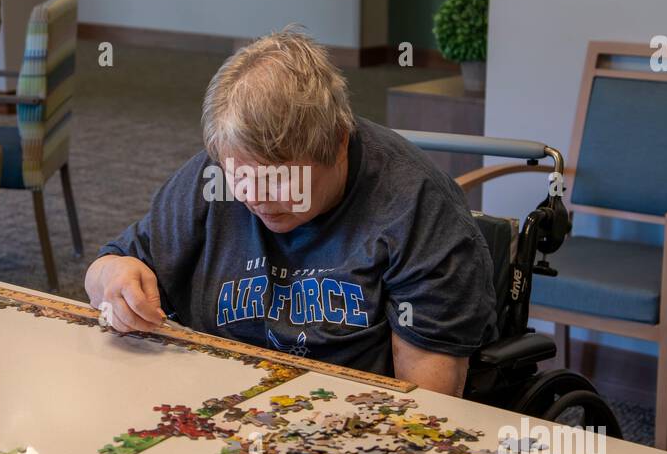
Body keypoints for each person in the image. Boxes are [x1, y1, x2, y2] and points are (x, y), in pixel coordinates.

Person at [85, 28, 496, 393]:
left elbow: (425, 405)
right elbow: (104, 269)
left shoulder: (418, 209)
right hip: (213, 405)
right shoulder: (214, 177)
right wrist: (114, 280)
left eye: (278, 179)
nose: (254, 197)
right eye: (239, 177)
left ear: (337, 143)